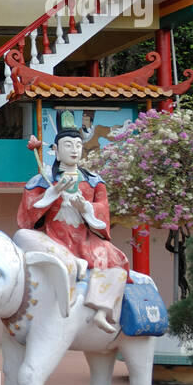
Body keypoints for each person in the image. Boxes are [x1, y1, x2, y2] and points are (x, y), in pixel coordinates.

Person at [17, 128, 129, 333]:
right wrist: (52, 193)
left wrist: (85, 208)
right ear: (57, 152)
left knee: (116, 258)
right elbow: (26, 217)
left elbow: (103, 211)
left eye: (78, 145)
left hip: (84, 238)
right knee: (23, 238)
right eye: (68, 145)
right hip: (53, 237)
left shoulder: (94, 181)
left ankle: (102, 310)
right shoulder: (42, 180)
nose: (74, 150)